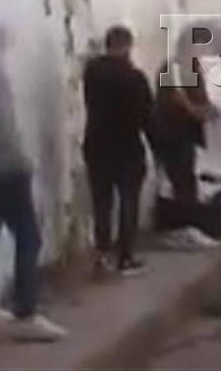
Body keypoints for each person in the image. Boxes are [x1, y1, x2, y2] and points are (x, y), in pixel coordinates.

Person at [0, 16, 67, 341]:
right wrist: (22, 159)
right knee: (28, 236)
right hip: (7, 167)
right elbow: (3, 122)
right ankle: (26, 312)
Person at [83, 26, 153, 275]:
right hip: (127, 148)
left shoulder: (92, 72)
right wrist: (155, 145)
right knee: (128, 203)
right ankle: (125, 257)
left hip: (96, 146)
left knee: (101, 203)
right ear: (126, 46)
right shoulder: (134, 78)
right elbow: (147, 117)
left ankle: (102, 255)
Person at [149, 36, 220, 250]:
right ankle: (181, 230)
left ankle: (187, 228)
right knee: (182, 181)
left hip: (184, 133)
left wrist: (209, 109)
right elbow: (177, 97)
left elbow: (198, 95)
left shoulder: (191, 68)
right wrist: (198, 112)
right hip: (173, 133)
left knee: (186, 180)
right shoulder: (175, 67)